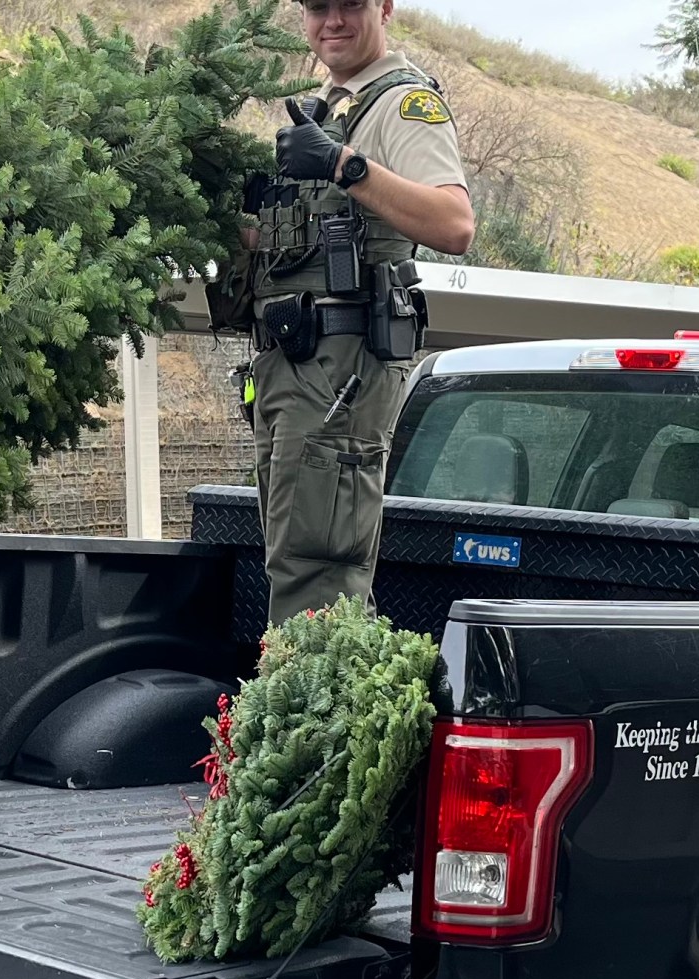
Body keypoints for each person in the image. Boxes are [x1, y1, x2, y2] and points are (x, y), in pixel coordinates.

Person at [245, 0, 474, 622]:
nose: (334, 21)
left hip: (341, 370)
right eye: (319, 7)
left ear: (384, 8)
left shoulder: (401, 103)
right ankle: (315, 712)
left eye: (351, 5)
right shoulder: (328, 105)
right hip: (295, 367)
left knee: (316, 576)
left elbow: (454, 224)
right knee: (298, 561)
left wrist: (344, 166)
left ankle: (309, 716)